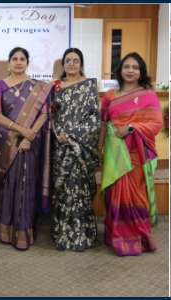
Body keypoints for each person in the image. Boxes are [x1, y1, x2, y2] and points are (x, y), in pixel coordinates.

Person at [98, 52, 162, 256]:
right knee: (115, 191)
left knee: (136, 194)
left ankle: (138, 237)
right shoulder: (110, 95)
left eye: (135, 67)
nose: (131, 70)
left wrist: (131, 127)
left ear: (141, 71)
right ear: (120, 70)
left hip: (137, 152)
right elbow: (103, 123)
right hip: (114, 152)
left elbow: (156, 124)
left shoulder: (148, 94)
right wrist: (99, 146)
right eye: (126, 67)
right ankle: (115, 235)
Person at [0, 48, 53, 250]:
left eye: (22, 59)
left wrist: (29, 135)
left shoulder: (38, 87)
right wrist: (21, 131)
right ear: (8, 63)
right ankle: (6, 230)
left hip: (30, 141)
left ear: (27, 63)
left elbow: (44, 115)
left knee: (27, 185)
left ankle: (25, 231)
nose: (18, 62)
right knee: (10, 184)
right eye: (14, 59)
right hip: (8, 140)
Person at [50, 48, 102, 251]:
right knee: (62, 190)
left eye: (76, 60)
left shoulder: (89, 86)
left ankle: (83, 235)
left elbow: (94, 118)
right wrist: (59, 135)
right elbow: (51, 116)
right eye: (68, 60)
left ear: (81, 64)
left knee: (79, 190)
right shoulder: (55, 87)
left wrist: (71, 135)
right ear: (63, 64)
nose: (72, 64)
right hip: (59, 145)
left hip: (80, 146)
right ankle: (62, 233)